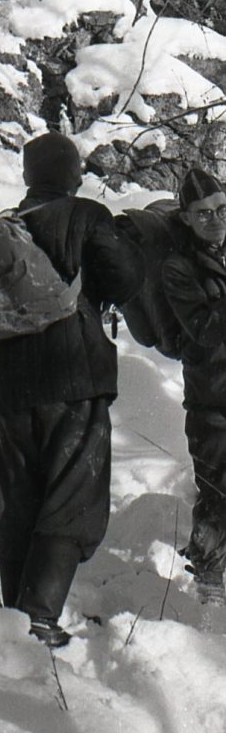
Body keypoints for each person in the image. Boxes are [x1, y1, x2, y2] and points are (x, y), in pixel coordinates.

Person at [0, 131, 144, 646]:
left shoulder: (1, 228)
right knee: (73, 495)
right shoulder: (88, 216)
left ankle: (15, 619)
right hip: (73, 378)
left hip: (6, 387)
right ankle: (40, 616)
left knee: (16, 496)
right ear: (73, 174)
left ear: (28, 176)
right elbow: (126, 281)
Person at [161, 167, 226, 605]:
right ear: (185, 218)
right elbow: (202, 329)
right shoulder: (177, 267)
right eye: (202, 214)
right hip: (213, 401)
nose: (215, 220)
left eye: (221, 209)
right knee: (218, 496)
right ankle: (208, 598)